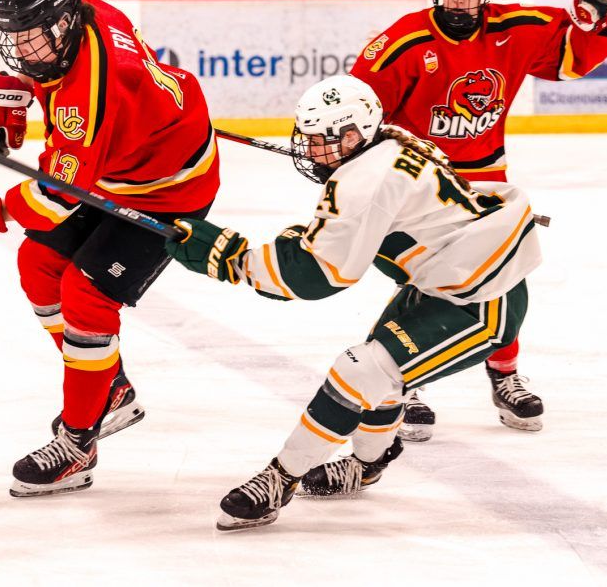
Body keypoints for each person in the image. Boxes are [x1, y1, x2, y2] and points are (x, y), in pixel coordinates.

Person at [165, 76, 542, 531]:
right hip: (451, 280)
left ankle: (281, 478)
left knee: (361, 370)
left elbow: (319, 275)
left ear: (350, 137)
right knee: (380, 375)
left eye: (317, 140)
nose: (308, 149)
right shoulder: (388, 145)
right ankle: (367, 466)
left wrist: (231, 258)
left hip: (482, 299)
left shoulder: (364, 179)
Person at [0, 0, 220, 497]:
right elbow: (44, 70)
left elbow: (56, 196)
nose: (19, 48)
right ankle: (111, 389)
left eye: (28, 38)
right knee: (37, 264)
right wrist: (13, 95)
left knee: (86, 295)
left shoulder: (90, 95)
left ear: (61, 26)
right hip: (121, 163)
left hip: (168, 187)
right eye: (14, 36)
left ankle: (78, 444)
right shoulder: (82, 15)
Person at [349, 0, 607, 439]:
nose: (458, 0)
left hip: (487, 182)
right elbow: (359, 109)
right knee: (422, 281)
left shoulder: (514, 28)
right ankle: (403, 380)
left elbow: (571, 60)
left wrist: (589, 23)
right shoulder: (404, 41)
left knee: (506, 276)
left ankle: (505, 375)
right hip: (418, 183)